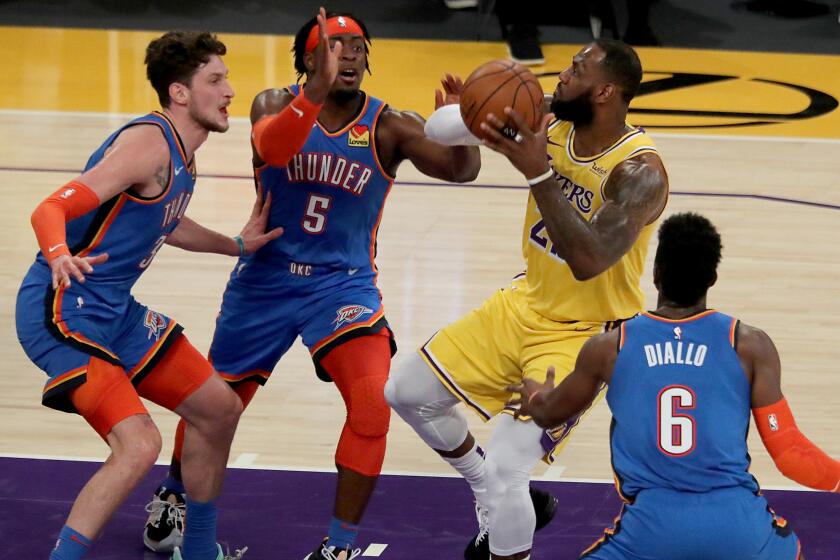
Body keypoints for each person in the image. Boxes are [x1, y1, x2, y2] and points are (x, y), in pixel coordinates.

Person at [143, 8, 481, 560]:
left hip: (342, 288)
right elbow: (274, 148)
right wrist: (317, 90)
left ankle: (339, 547)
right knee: (215, 405)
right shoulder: (273, 105)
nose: (347, 53)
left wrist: (460, 128)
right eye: (333, 44)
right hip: (265, 282)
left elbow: (459, 170)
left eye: (356, 46)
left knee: (372, 407)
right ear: (307, 57)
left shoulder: (389, 125)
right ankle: (173, 495)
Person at [385, 38, 669, 560]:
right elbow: (438, 131)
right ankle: (483, 497)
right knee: (405, 391)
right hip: (522, 304)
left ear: (605, 91)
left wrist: (538, 170)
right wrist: (466, 110)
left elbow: (588, 261)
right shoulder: (549, 126)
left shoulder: (639, 172)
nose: (562, 75)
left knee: (507, 466)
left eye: (577, 70)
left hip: (585, 336)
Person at [15, 31, 283, 560]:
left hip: (114, 312)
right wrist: (57, 254)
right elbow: (49, 209)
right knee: (140, 444)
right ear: (180, 93)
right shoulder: (148, 145)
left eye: (226, 77)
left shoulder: (182, 152)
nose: (230, 90)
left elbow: (168, 221)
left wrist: (235, 245)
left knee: (218, 410)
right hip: (62, 311)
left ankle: (200, 552)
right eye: (216, 79)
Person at [509, 212, 840, 559]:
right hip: (739, 528)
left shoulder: (610, 348)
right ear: (712, 278)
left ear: (656, 275)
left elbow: (549, 413)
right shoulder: (750, 345)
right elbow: (791, 456)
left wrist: (535, 396)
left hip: (651, 529)